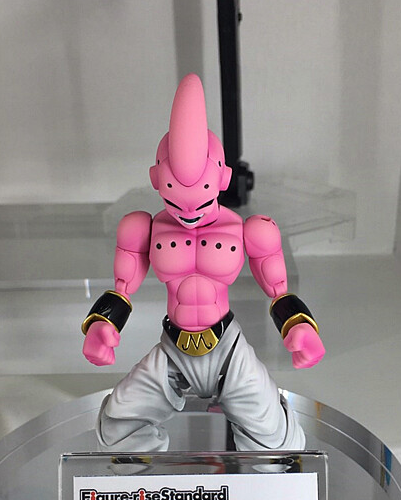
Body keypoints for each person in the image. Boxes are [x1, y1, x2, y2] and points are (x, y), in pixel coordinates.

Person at [82, 74, 324, 453]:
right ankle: (146, 485)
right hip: (173, 350)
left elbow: (278, 288)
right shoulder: (144, 228)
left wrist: (299, 327)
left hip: (227, 348)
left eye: (202, 193)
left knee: (278, 441)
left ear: (222, 178)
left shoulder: (248, 230)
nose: (189, 209)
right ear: (156, 179)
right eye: (174, 194)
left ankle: (267, 484)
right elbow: (122, 288)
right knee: (116, 427)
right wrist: (102, 325)